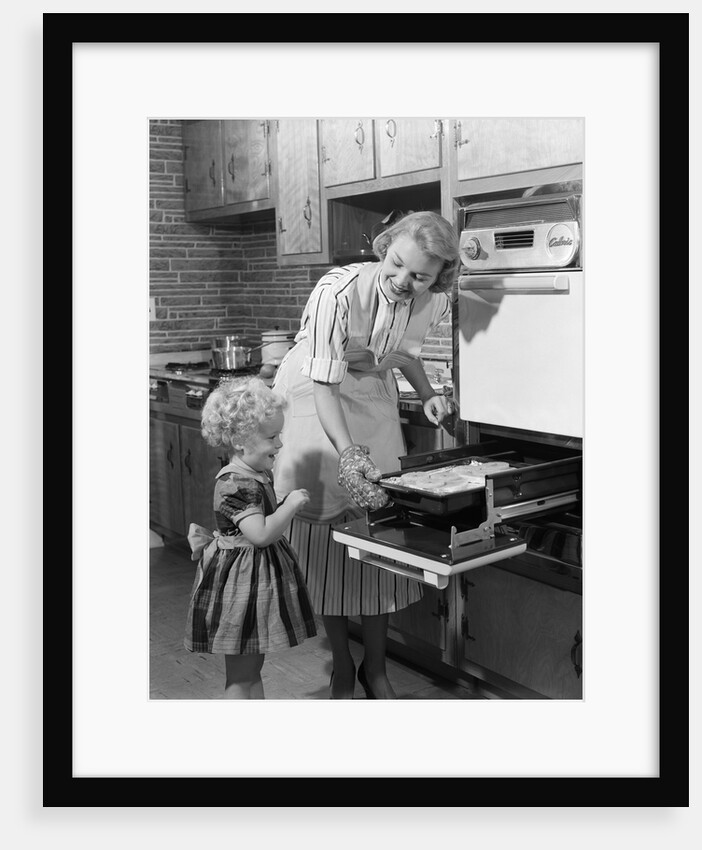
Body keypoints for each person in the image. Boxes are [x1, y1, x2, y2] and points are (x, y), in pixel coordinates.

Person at [272, 211, 460, 699]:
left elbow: (405, 353)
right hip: (317, 394)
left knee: (377, 525)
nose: (402, 282)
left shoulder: (431, 302)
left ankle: (375, 669)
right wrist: (348, 451)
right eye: (396, 265)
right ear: (385, 246)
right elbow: (323, 383)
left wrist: (428, 394)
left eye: (419, 276)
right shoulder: (336, 291)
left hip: (371, 389)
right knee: (325, 532)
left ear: (440, 276)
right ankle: (341, 663)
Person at [183, 377, 317, 699]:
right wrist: (291, 505)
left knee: (251, 669)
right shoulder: (235, 484)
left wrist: (281, 504)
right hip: (241, 588)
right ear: (242, 441)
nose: (280, 444)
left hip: (253, 584)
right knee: (242, 676)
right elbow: (260, 534)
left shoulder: (254, 475)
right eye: (272, 437)